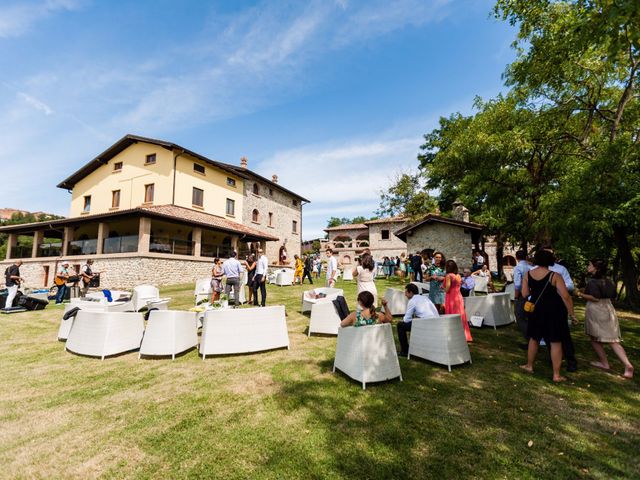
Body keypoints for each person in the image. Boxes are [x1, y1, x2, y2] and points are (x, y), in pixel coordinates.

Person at [520, 249, 577, 383]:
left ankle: (529, 366)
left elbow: (524, 293)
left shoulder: (528, 274)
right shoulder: (555, 276)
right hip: (554, 312)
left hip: (536, 310)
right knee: (555, 341)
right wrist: (572, 314)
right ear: (551, 260)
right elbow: (566, 296)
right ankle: (556, 375)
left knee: (534, 338)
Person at [578, 259, 633, 379]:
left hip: (596, 310)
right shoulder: (609, 281)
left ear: (595, 268)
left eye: (590, 265)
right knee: (613, 340)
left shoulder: (593, 281)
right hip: (608, 308)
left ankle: (607, 363)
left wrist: (580, 294)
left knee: (594, 337)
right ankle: (622, 364)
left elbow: (595, 298)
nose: (588, 267)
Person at [535, 246, 577, 371]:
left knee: (563, 333)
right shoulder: (534, 270)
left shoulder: (560, 270)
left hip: (557, 305)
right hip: (542, 307)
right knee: (547, 334)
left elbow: (569, 286)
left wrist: (558, 285)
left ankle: (571, 359)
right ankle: (554, 357)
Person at [396, 283, 440, 356]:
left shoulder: (412, 301)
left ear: (411, 292)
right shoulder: (425, 298)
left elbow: (406, 320)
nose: (405, 294)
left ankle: (405, 350)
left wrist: (407, 319)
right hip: (437, 322)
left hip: (426, 324)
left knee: (400, 325)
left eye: (406, 292)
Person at [444, 260, 473, 342]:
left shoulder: (448, 276)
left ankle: (453, 334)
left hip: (451, 297)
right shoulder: (458, 276)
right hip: (458, 296)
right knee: (460, 315)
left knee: (452, 314)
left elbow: (447, 289)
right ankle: (464, 334)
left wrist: (443, 288)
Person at [512, 250, 531, 344]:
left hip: (522, 295)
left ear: (516, 258)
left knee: (519, 316)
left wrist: (516, 297)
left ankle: (530, 339)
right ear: (526, 257)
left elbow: (517, 285)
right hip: (533, 294)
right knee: (529, 316)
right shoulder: (531, 267)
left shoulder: (518, 268)